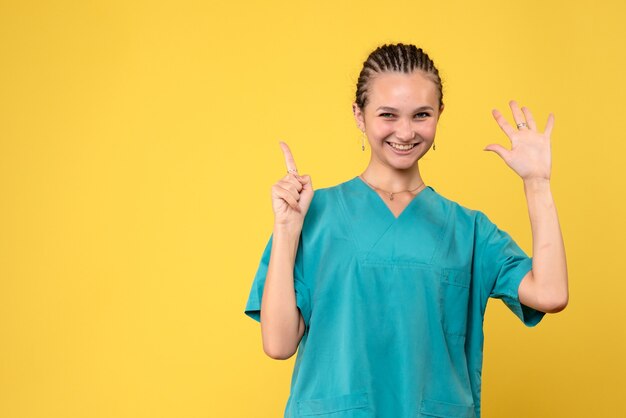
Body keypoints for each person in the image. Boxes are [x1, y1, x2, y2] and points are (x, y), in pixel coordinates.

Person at [244, 43, 568, 418]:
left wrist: (537, 183)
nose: (405, 131)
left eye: (421, 115)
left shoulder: (469, 230)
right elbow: (279, 344)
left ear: (439, 115)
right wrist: (286, 229)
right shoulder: (311, 214)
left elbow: (550, 293)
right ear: (359, 116)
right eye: (387, 114)